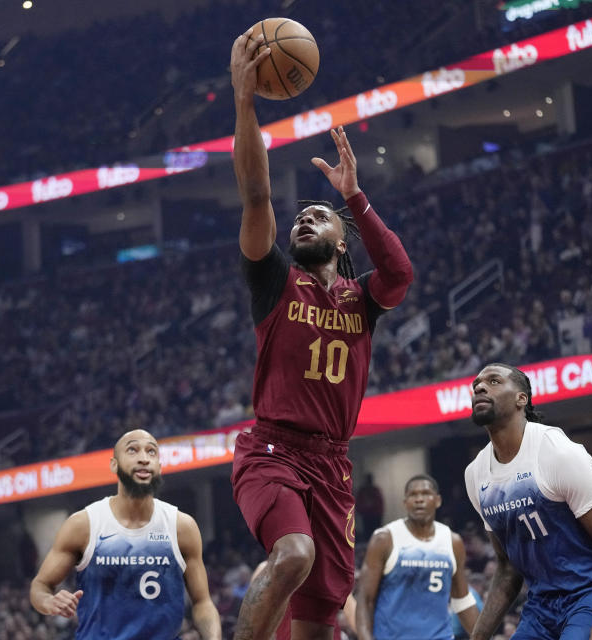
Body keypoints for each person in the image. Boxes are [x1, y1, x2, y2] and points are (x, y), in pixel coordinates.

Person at [228, 29, 413, 640]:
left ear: (341, 240)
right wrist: (246, 103)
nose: (304, 217)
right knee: (293, 556)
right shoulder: (275, 283)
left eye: (319, 215)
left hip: (332, 466)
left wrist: (354, 197)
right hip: (273, 450)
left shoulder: (362, 301)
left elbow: (401, 273)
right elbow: (257, 194)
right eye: (300, 215)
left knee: (319, 624)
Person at [463, 363, 592, 640]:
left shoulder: (557, 453)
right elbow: (508, 567)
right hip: (542, 605)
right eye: (477, 385)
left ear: (522, 399)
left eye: (494, 381)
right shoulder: (475, 475)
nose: (480, 387)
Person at [30, 430, 221, 640]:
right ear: (114, 464)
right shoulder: (84, 524)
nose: (143, 458)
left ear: (159, 466)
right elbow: (40, 586)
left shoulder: (181, 526)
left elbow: (203, 602)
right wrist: (48, 602)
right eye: (132, 450)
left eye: (151, 452)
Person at [356, 474, 479, 640]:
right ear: (405, 503)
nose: (419, 499)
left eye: (425, 493)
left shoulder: (452, 541)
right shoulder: (384, 539)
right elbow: (365, 600)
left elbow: (462, 601)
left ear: (438, 500)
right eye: (413, 495)